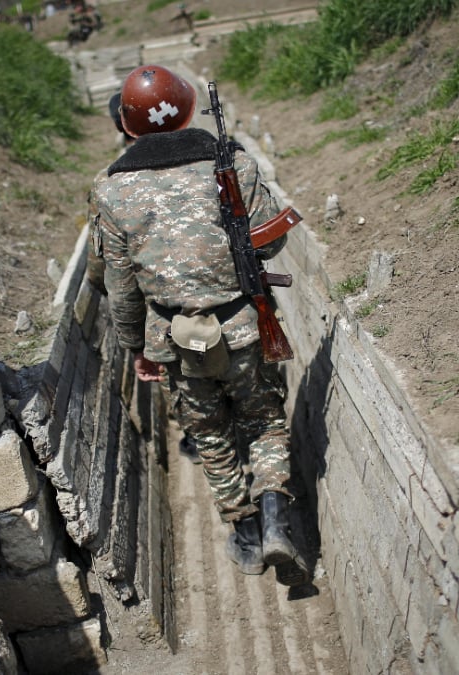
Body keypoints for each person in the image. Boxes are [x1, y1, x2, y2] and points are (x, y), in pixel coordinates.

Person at [89, 65, 306, 586]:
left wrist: (135, 348)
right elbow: (271, 243)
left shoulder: (111, 190)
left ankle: (247, 537)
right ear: (187, 108)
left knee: (209, 434)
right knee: (264, 421)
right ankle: (277, 516)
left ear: (127, 123)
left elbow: (120, 287)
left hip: (174, 339)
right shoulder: (232, 164)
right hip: (244, 325)